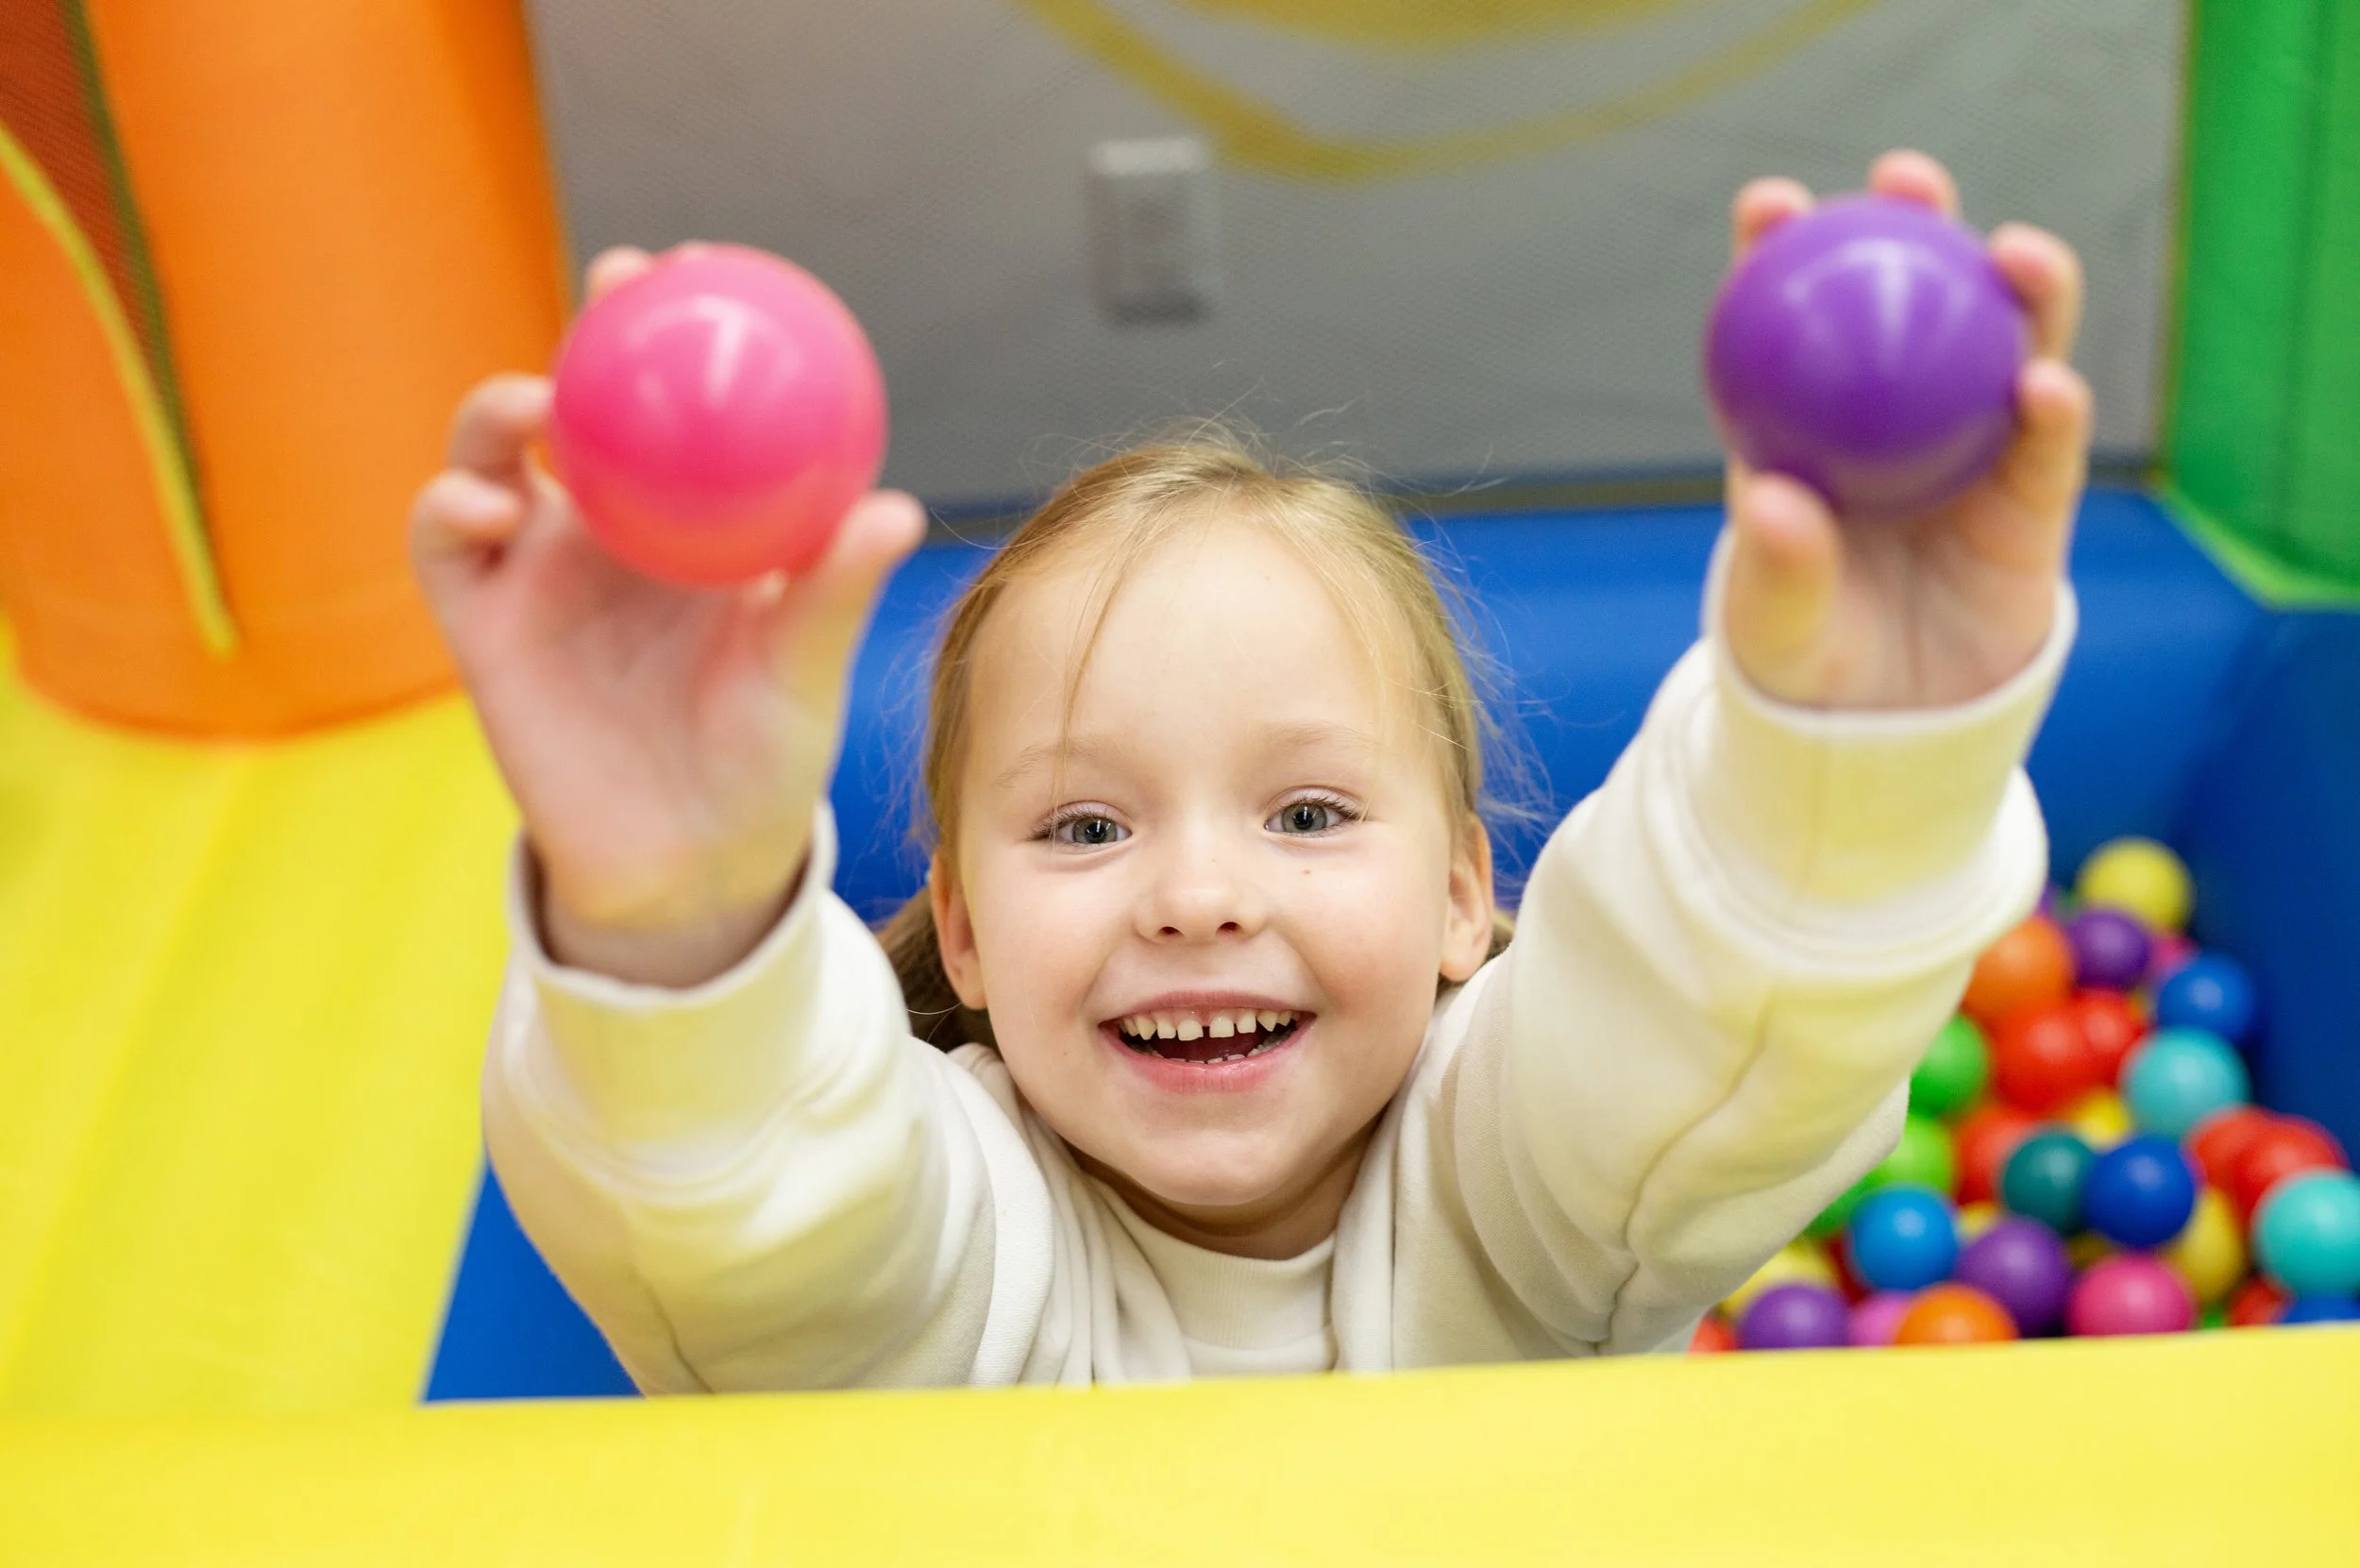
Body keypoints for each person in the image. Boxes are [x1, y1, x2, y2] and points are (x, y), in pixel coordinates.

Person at [411, 151, 2090, 1388]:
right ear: (967, 934)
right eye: (1083, 824)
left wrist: (1855, 745)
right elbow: (767, 1231)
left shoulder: (1521, 1193)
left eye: (1306, 812)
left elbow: (1701, 1030)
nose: (1201, 898)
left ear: (1461, 898)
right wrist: (677, 908)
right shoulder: (974, 1246)